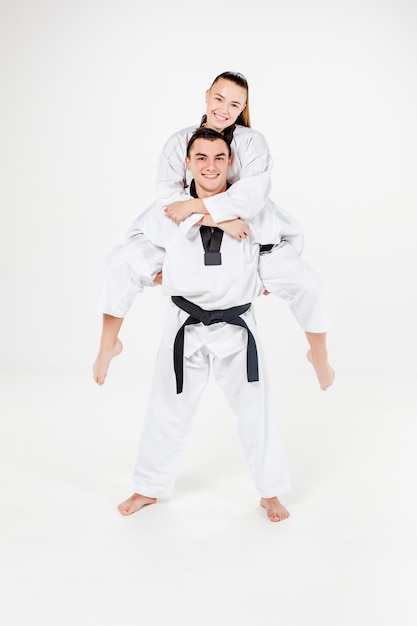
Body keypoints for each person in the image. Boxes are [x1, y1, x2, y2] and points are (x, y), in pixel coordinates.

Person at [93, 71, 334, 391]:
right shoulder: (178, 141)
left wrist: (196, 208)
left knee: (308, 283)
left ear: (243, 107)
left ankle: (318, 354)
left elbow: (249, 198)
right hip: (186, 233)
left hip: (248, 234)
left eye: (235, 104)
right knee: (122, 261)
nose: (224, 108)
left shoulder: (252, 142)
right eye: (219, 98)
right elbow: (169, 199)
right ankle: (109, 343)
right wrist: (214, 220)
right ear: (206, 95)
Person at [117, 127, 294, 521]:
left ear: (230, 163)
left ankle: (270, 492)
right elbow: (130, 243)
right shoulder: (169, 207)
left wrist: (269, 275)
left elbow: (291, 237)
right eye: (201, 158)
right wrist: (152, 270)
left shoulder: (254, 208)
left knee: (256, 411)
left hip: (236, 324)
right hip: (184, 322)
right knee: (167, 409)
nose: (210, 165)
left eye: (218, 157)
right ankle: (147, 487)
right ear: (187, 163)